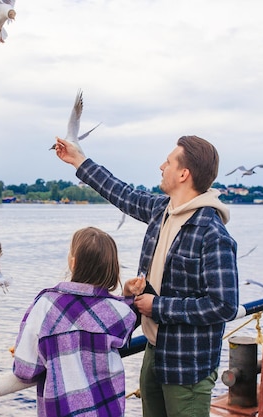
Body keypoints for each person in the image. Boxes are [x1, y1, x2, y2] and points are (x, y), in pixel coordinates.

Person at [53, 135, 239, 417]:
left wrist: (157, 306)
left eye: (168, 161)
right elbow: (121, 193)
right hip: (154, 353)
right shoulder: (160, 211)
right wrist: (78, 159)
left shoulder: (212, 233)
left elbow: (223, 304)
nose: (161, 166)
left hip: (187, 366)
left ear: (183, 174)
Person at [12, 226, 137, 417]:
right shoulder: (119, 311)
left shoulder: (45, 306)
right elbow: (124, 324)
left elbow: (25, 369)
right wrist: (127, 298)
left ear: (73, 262)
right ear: (112, 267)